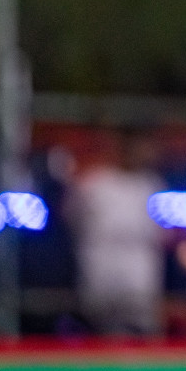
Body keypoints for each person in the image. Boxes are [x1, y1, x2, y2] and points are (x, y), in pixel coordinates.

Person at [68, 128, 167, 336]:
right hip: (102, 267)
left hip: (140, 271)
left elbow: (162, 235)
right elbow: (71, 219)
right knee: (103, 332)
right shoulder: (95, 182)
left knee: (142, 331)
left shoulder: (152, 185)